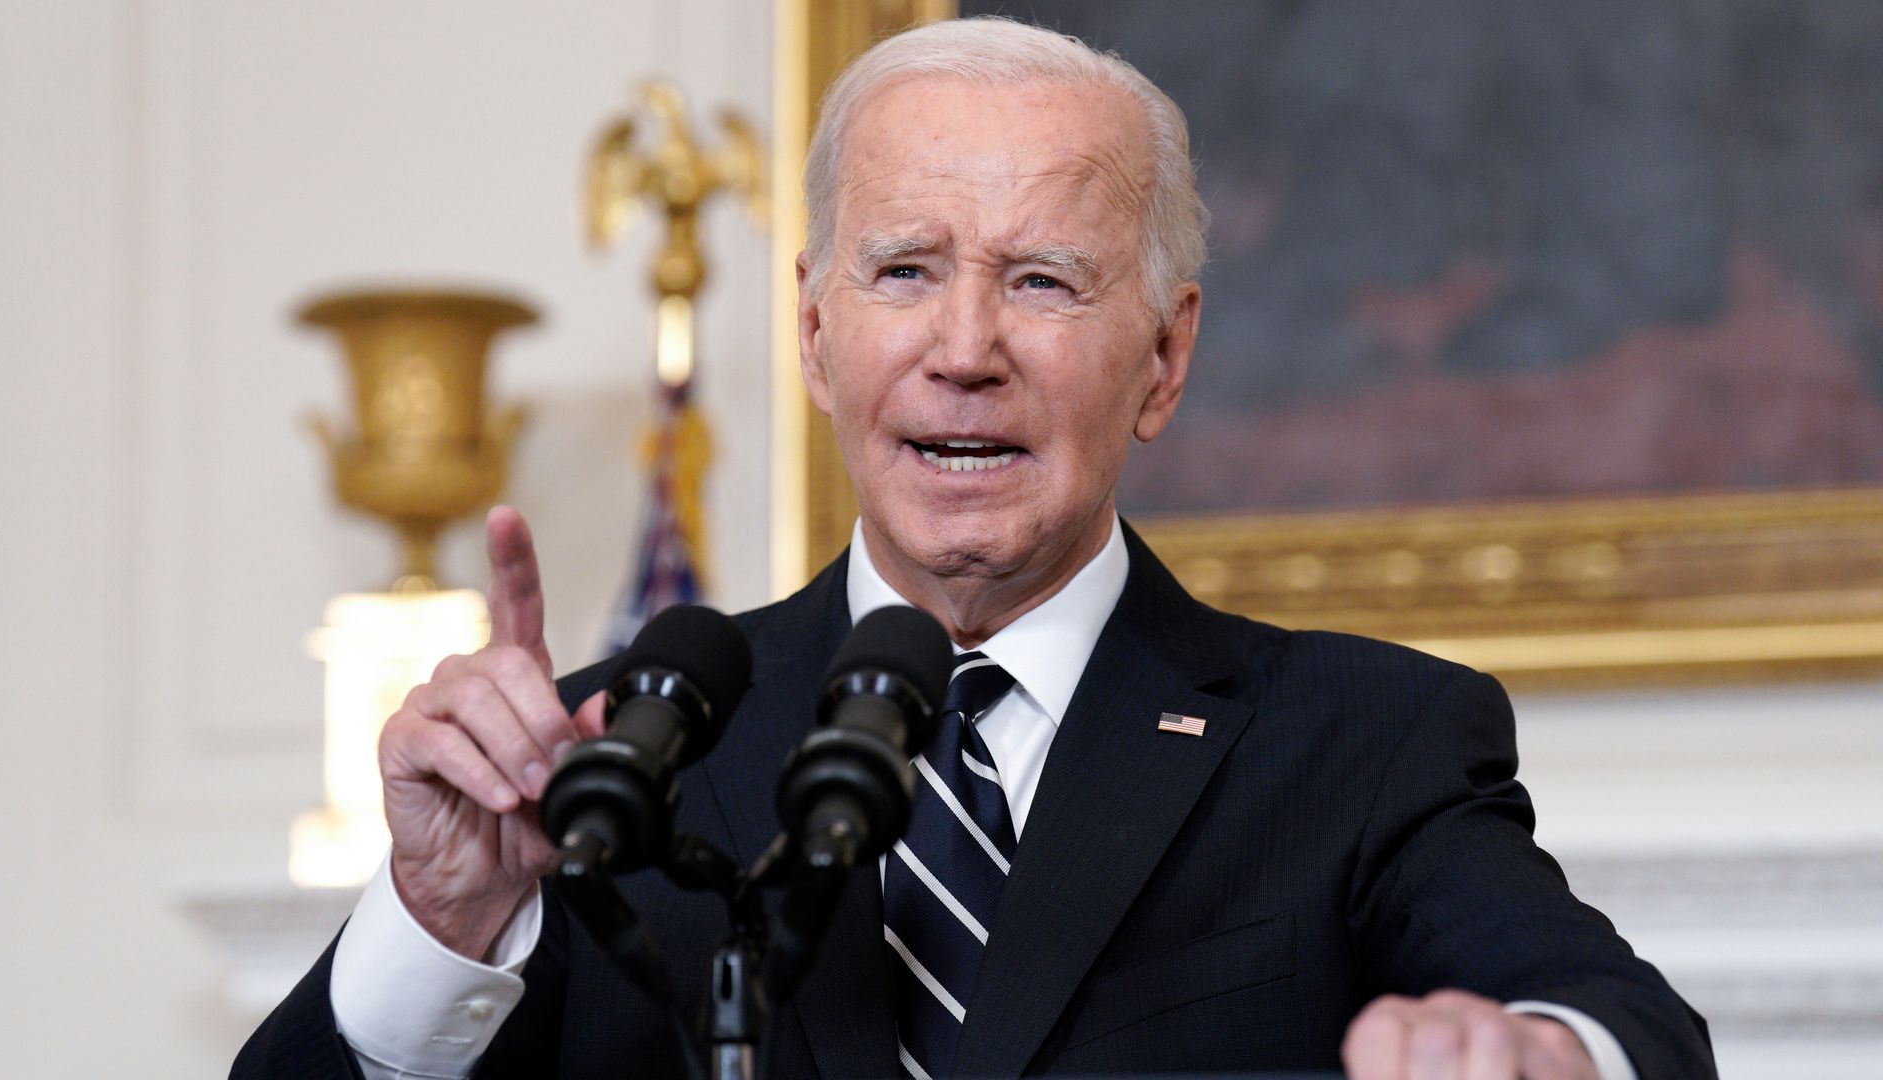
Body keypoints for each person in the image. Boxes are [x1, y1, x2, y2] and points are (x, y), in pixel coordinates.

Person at [234, 17, 1714, 1080]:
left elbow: (1624, 1027)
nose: (965, 350)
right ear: (818, 334)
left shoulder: (1363, 740)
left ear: (1164, 358)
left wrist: (1536, 1060)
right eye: (905, 271)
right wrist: (440, 925)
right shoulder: (616, 753)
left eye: (1044, 281)